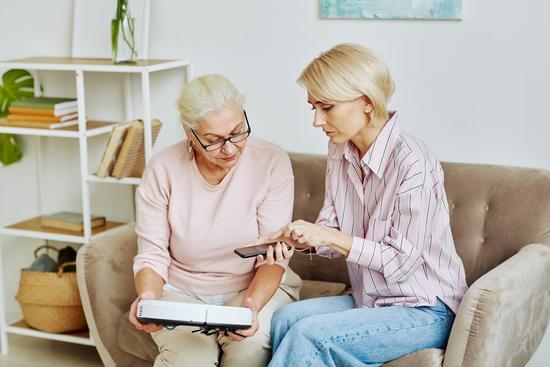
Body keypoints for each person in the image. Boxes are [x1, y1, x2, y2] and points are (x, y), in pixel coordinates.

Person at [263, 43, 469, 367]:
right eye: (313, 107)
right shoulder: (339, 150)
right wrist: (302, 238)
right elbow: (330, 227)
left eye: (327, 107)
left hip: (427, 308)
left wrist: (327, 237)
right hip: (371, 300)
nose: (317, 121)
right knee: (285, 320)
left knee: (309, 337)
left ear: (367, 103)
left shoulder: (413, 161)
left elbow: (401, 262)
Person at [128, 74, 301, 367]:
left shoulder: (271, 161)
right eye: (213, 140)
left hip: (252, 286)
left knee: (249, 349)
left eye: (238, 131)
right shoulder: (162, 168)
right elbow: (152, 252)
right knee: (188, 361)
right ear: (189, 133)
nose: (230, 148)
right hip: (181, 292)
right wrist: (148, 298)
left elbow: (272, 256)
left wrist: (252, 307)